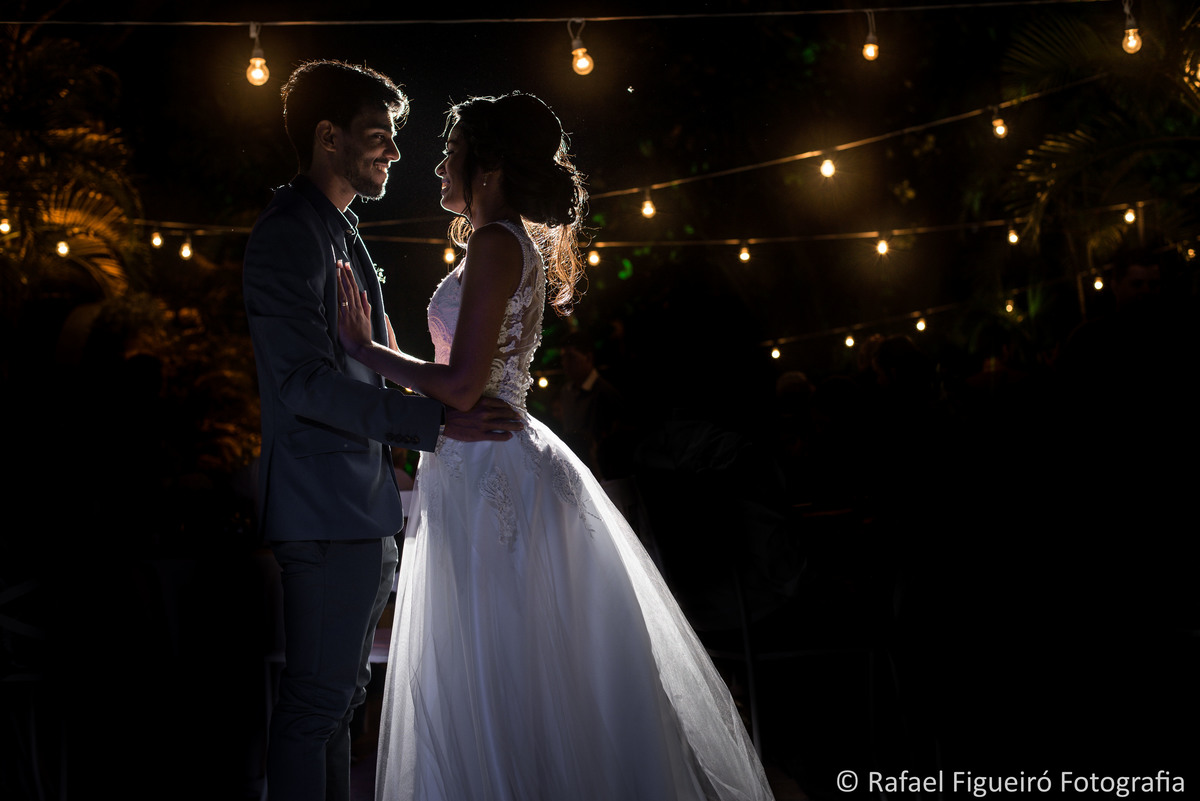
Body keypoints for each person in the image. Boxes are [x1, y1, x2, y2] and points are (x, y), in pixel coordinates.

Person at [335, 91, 773, 801]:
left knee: (502, 659)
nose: (439, 166)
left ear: (487, 163)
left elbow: (462, 384)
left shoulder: (495, 243)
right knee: (504, 660)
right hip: (480, 458)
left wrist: (366, 350)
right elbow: (460, 371)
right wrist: (390, 349)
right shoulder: (501, 243)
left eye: (451, 152)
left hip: (489, 469)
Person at [242, 61, 519, 801]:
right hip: (323, 508)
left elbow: (366, 361)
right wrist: (438, 423)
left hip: (360, 506)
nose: (394, 151)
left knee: (339, 705)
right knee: (316, 705)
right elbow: (303, 383)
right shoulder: (288, 234)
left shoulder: (341, 231)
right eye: (378, 135)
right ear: (327, 137)